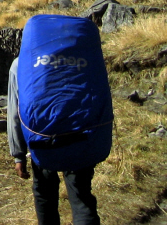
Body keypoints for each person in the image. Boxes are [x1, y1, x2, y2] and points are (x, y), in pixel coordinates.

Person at [8, 57, 103, 225]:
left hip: (42, 141)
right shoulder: (80, 57)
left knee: (44, 194)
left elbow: (16, 113)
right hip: (79, 136)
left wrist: (18, 154)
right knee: (81, 196)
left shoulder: (21, 63)